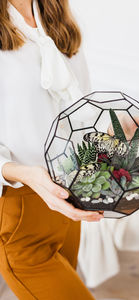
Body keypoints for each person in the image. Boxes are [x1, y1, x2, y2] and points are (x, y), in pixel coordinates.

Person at [0, 0, 104, 299]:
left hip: (70, 199)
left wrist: (113, 126)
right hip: (20, 207)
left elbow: (81, 107)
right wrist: (26, 174)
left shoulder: (59, 20)